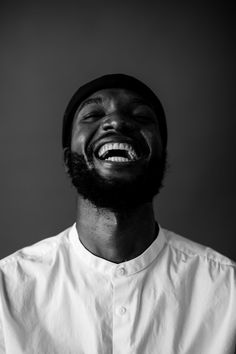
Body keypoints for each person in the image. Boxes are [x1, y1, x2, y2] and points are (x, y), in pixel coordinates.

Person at [0, 74, 235, 354]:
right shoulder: (8, 291)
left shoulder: (227, 291)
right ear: (67, 160)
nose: (117, 122)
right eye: (93, 114)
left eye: (140, 116)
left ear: (160, 156)